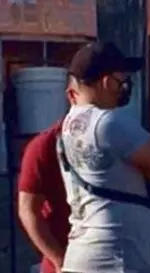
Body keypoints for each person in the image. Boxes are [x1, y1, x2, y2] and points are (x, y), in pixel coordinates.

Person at [59, 42, 150, 273]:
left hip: (82, 252)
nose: (125, 86)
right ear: (107, 82)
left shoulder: (68, 125)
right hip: (115, 258)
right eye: (122, 80)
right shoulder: (110, 123)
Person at [17, 76, 79, 273]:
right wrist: (59, 260)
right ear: (73, 96)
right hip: (65, 258)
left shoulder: (119, 141)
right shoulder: (45, 146)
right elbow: (28, 210)